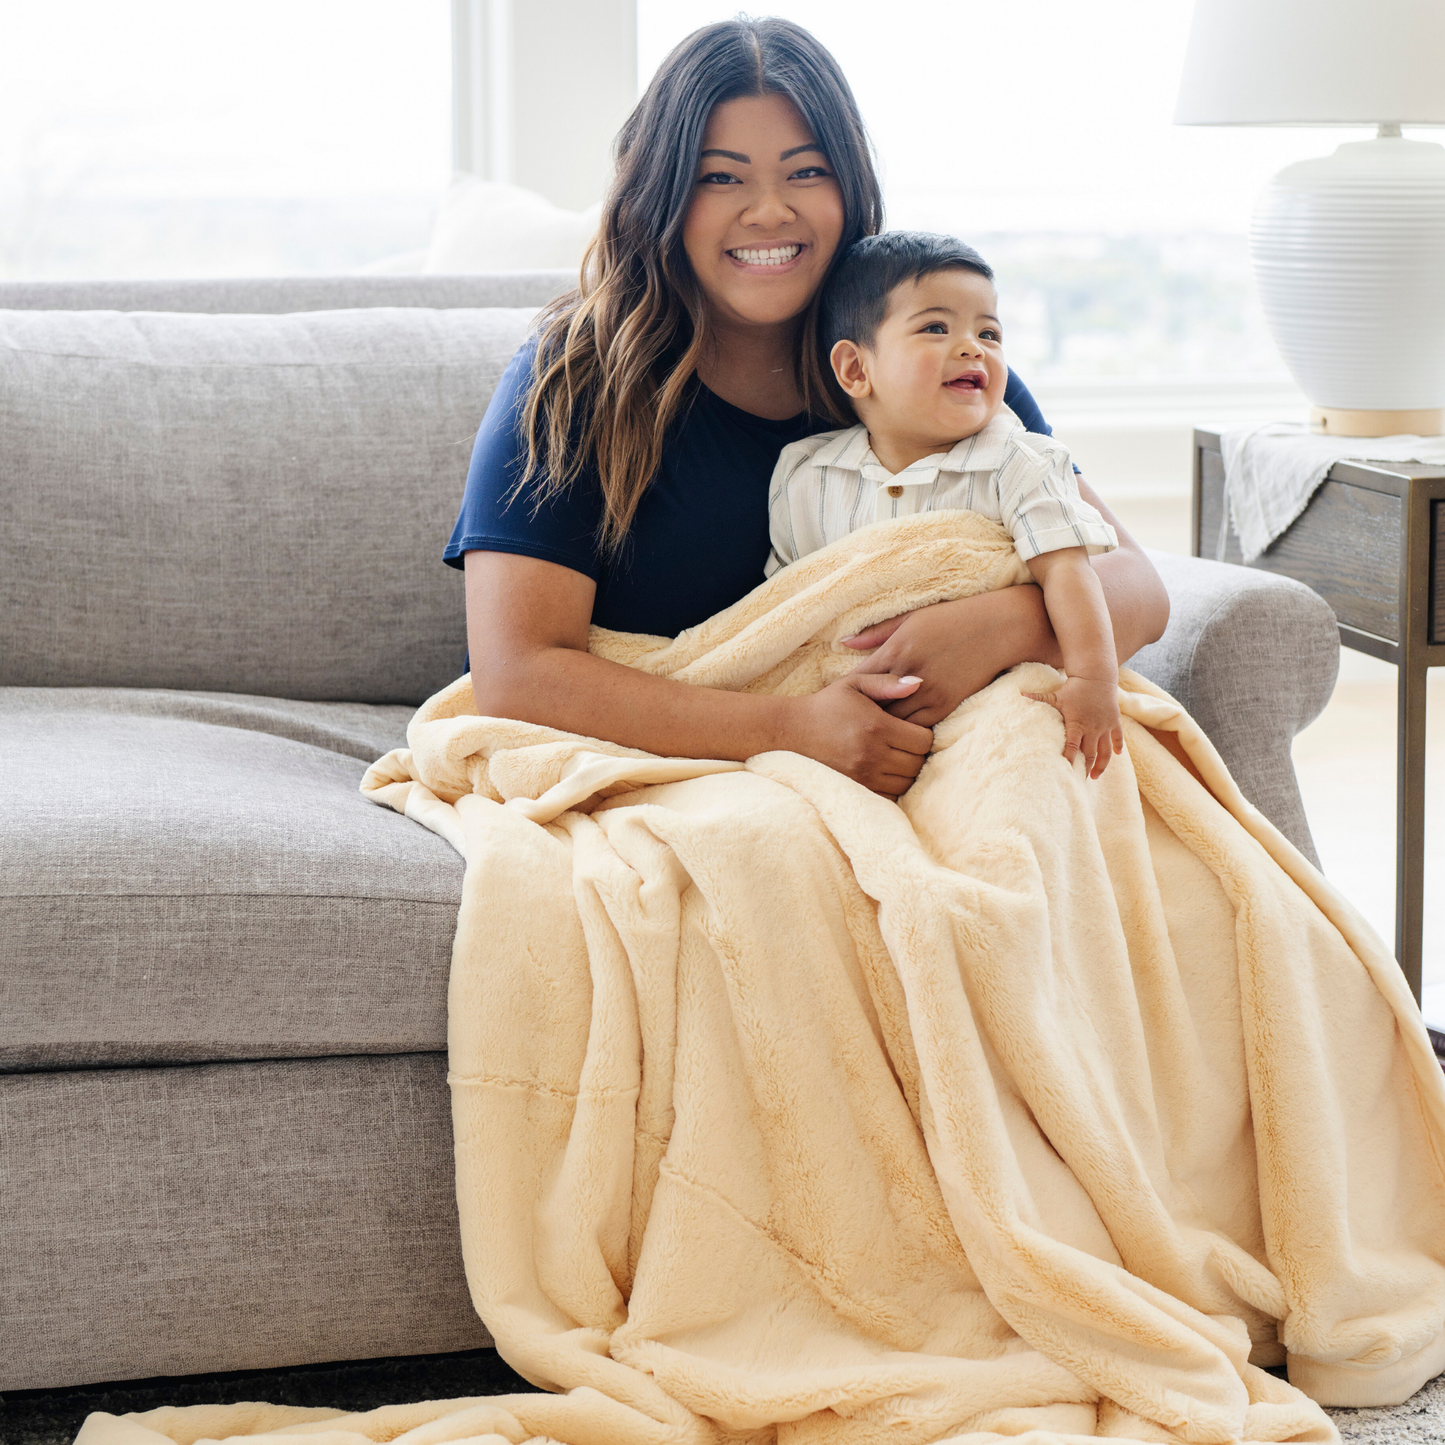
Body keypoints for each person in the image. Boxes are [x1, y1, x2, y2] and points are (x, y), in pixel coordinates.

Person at [445, 17, 1168, 797]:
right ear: (661, 195)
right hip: (664, 765)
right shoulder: (574, 377)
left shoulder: (935, 368)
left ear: (849, 190)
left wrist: (1004, 626)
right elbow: (516, 674)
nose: (768, 212)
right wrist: (792, 731)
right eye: (720, 178)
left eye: (806, 171)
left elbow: (1137, 588)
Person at [767, 231, 1124, 777]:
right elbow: (790, 605)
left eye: (989, 332)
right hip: (852, 711)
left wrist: (1094, 683)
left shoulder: (1021, 463)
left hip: (991, 699)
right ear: (856, 370)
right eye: (936, 327)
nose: (972, 347)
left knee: (1025, 762)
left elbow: (1071, 576)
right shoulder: (806, 476)